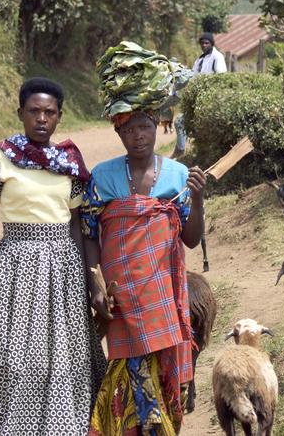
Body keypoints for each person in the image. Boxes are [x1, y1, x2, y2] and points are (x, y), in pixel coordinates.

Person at [0, 78, 105, 436]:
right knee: (14, 361)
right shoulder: (0, 159)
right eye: (34, 111)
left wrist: (91, 281)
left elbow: (79, 227)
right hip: (15, 269)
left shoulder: (71, 164)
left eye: (49, 112)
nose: (41, 119)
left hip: (64, 269)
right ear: (20, 113)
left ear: (60, 117)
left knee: (65, 358)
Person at [82, 110, 207, 435]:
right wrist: (96, 286)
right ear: (119, 134)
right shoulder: (102, 177)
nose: (138, 136)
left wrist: (198, 198)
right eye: (129, 130)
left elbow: (191, 239)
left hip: (162, 302)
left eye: (144, 127)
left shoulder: (178, 175)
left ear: (156, 128)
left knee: (165, 387)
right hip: (120, 301)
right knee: (125, 381)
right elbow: (89, 235)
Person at [172, 32, 227, 159]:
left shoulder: (217, 57)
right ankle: (181, 149)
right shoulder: (199, 59)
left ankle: (201, 155)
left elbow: (221, 78)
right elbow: (193, 77)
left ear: (212, 44)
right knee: (179, 121)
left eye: (206, 43)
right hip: (197, 99)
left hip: (211, 99)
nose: (204, 45)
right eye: (202, 43)